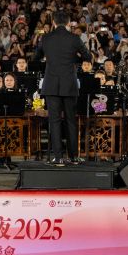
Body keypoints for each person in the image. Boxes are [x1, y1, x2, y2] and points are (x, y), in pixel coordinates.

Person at [33, 10, 91, 164]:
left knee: (55, 121)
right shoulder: (75, 38)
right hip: (69, 84)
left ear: (53, 22)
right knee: (71, 121)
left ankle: (58, 157)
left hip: (51, 84)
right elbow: (87, 57)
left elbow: (35, 58)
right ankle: (73, 156)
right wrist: (73, 58)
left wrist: (50, 59)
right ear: (68, 23)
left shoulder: (46, 38)